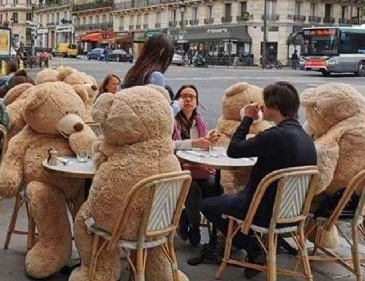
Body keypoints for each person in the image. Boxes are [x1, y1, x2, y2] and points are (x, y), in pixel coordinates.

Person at [190, 82, 317, 274]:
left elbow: (234, 150)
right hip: (294, 213)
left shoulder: (275, 135)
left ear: (274, 107)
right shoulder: (305, 138)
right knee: (231, 199)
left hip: (262, 210)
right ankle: (255, 249)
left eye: (264, 104)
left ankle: (253, 247)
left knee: (207, 204)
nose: (262, 107)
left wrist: (247, 119)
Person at [172, 85, 221, 247]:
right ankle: (194, 225)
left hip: (199, 168)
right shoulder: (171, 120)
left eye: (191, 97)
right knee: (192, 189)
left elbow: (202, 146)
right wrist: (194, 143)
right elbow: (169, 144)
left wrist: (209, 140)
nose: (187, 99)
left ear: (197, 102)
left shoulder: (198, 121)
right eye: (184, 96)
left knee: (215, 186)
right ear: (177, 100)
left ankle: (210, 229)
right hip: (178, 168)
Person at [122, 34, 181, 114]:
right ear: (162, 52)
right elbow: (160, 113)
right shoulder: (155, 76)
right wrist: (178, 105)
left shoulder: (133, 71)